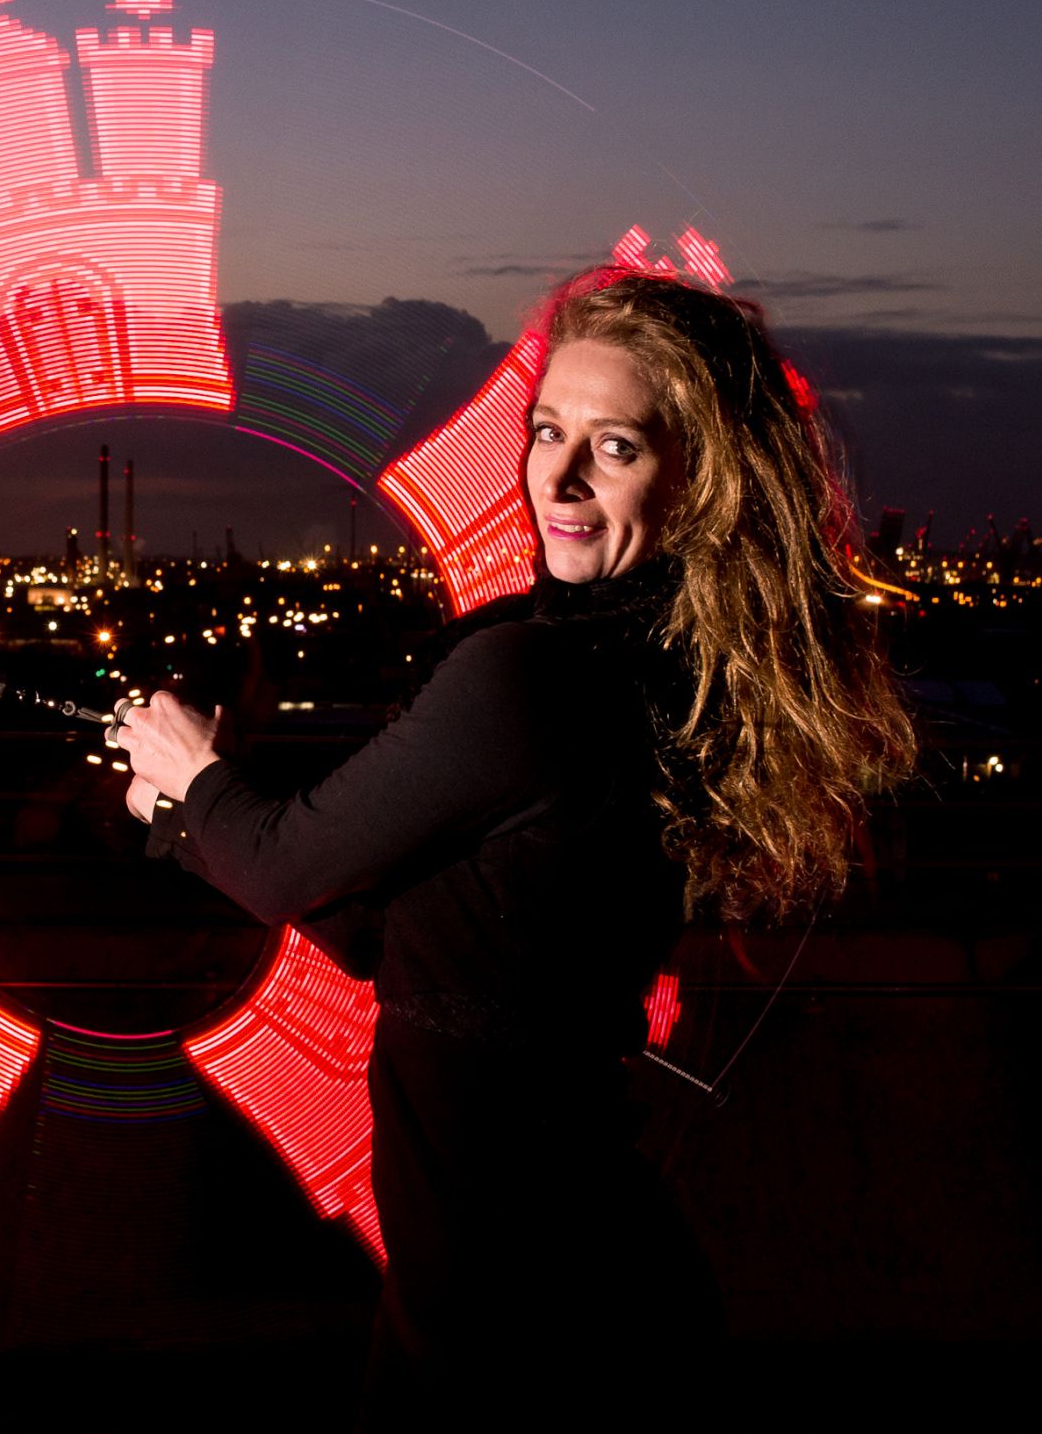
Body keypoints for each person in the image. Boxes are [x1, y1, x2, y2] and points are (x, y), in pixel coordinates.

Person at [115, 267, 916, 1407]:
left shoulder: (532, 679)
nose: (564, 476)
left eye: (617, 446)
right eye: (548, 432)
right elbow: (387, 940)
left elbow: (291, 863)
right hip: (529, 1259)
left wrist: (195, 778)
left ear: (695, 481)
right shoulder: (652, 669)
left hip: (518, 1284)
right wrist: (191, 819)